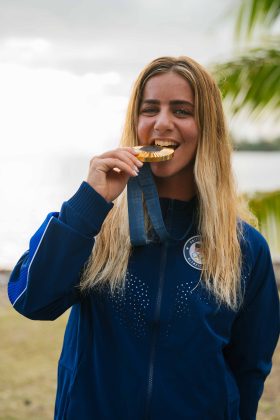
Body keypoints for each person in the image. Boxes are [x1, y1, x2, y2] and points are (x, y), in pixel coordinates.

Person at [8, 56, 279, 420]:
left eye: (182, 111)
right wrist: (90, 202)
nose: (162, 123)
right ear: (135, 123)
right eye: (150, 109)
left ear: (207, 128)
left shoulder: (244, 248)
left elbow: (250, 369)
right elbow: (32, 299)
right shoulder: (94, 226)